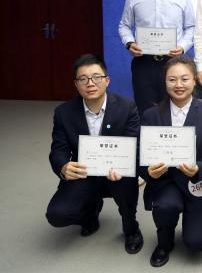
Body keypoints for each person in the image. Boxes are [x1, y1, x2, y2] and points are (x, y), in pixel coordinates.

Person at [46, 54, 143, 254]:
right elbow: (58, 150)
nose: (90, 83)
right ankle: (90, 213)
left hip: (117, 173)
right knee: (57, 215)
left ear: (107, 80)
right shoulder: (64, 113)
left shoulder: (127, 107)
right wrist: (63, 166)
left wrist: (129, 168)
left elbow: (135, 145)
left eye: (96, 77)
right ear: (76, 84)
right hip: (84, 173)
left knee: (126, 185)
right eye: (83, 79)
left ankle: (131, 228)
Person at [139, 56, 202, 267]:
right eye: (172, 79)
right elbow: (140, 155)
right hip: (166, 181)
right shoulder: (150, 115)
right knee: (165, 206)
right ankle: (164, 242)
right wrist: (148, 171)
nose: (178, 85)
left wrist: (199, 168)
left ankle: (194, 224)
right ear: (164, 82)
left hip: (197, 182)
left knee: (197, 242)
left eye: (184, 79)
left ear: (194, 80)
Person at [118, 0, 195, 115]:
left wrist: (182, 47)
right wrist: (129, 43)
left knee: (176, 108)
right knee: (146, 110)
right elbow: (124, 25)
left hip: (174, 62)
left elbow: (191, 27)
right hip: (144, 63)